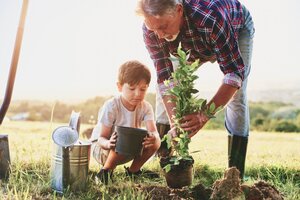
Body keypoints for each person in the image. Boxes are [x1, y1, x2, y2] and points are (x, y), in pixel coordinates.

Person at [136, 0, 254, 180]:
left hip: (234, 29)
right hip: (192, 40)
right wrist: (176, 123)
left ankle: (235, 174)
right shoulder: (152, 30)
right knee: (168, 91)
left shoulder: (210, 17)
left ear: (179, 10)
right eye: (153, 29)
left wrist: (204, 114)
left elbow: (234, 74)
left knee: (238, 96)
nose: (159, 36)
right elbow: (165, 79)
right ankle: (164, 160)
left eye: (163, 26)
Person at [90, 60, 161, 184]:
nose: (138, 94)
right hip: (102, 149)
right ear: (119, 87)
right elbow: (101, 138)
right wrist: (108, 144)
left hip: (127, 147)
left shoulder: (146, 107)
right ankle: (105, 173)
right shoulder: (112, 106)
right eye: (132, 89)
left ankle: (133, 171)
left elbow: (153, 131)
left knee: (156, 141)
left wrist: (153, 137)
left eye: (143, 89)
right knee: (124, 139)